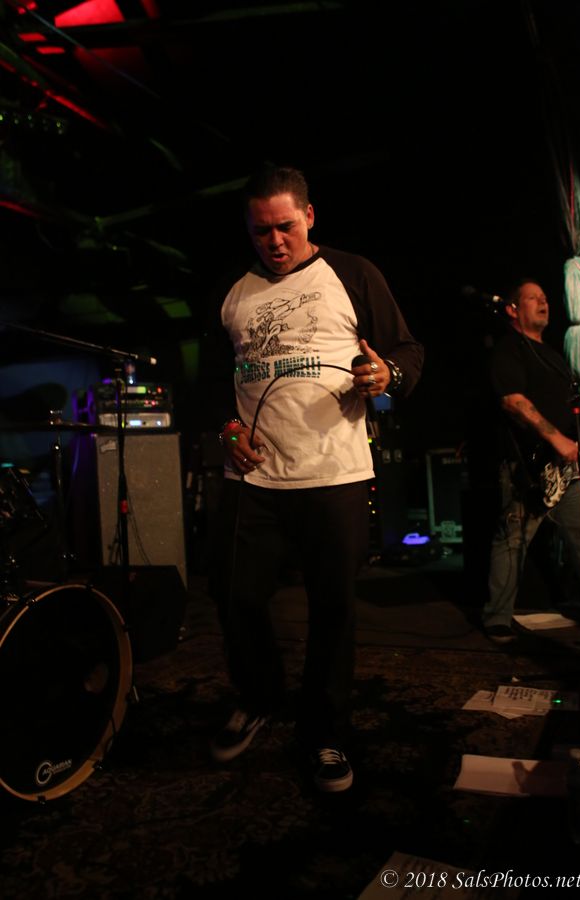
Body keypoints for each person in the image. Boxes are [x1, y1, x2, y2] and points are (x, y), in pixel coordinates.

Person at [206, 163, 424, 791]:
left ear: (309, 216)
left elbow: (407, 351)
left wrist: (387, 376)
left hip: (334, 474)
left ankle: (324, 732)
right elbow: (209, 382)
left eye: (285, 227)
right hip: (254, 478)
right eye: (261, 231)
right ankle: (259, 696)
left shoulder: (353, 274)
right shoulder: (233, 291)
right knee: (235, 594)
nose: (274, 241)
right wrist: (226, 428)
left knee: (333, 607)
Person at [481, 277, 580, 643]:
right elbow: (513, 401)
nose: (544, 302)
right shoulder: (509, 349)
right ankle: (497, 617)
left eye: (545, 297)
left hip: (567, 469)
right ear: (513, 309)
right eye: (534, 298)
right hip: (529, 467)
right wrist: (557, 439)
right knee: (513, 539)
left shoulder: (553, 357)